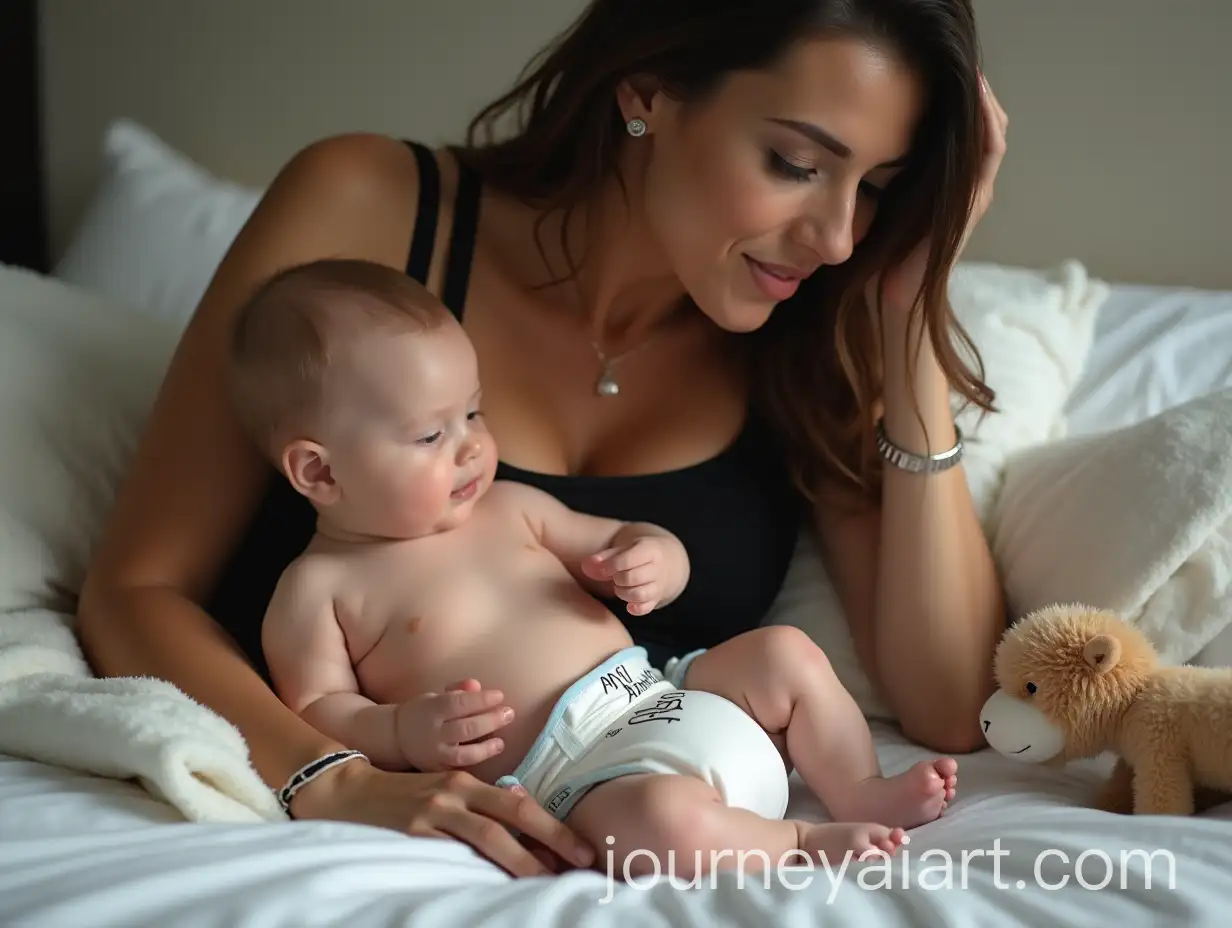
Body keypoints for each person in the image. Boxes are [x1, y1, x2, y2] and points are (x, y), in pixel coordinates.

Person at [76, 0, 1009, 879]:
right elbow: (137, 591)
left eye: (877, 189)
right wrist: (335, 776)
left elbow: (951, 706)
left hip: (672, 736)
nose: (840, 237)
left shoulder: (808, 329)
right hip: (537, 793)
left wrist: (908, 311)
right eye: (797, 165)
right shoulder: (371, 210)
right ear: (649, 89)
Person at [235, 258, 958, 878]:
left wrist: (656, 557)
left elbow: (615, 535)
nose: (470, 447)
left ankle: (859, 787)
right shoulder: (315, 592)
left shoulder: (511, 506)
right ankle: (797, 841)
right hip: (578, 778)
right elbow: (319, 714)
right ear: (319, 472)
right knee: (663, 823)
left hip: (659, 689)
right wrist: (399, 733)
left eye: (475, 415)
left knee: (787, 654)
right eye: (430, 433)